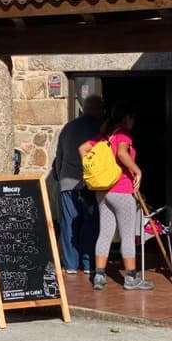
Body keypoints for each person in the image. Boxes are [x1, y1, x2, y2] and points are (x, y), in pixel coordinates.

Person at [79, 101, 152, 291]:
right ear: (127, 118)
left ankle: (99, 276)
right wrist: (137, 171)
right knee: (127, 234)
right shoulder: (123, 134)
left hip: (103, 191)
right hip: (121, 189)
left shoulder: (103, 136)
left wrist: (94, 170)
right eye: (132, 118)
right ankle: (130, 278)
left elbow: (82, 149)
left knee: (105, 232)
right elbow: (122, 154)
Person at [53, 94, 104, 275]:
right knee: (91, 223)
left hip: (67, 182)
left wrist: (60, 176)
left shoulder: (68, 127)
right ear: (97, 109)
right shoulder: (99, 128)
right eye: (101, 108)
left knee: (69, 224)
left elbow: (59, 156)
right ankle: (88, 262)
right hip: (90, 183)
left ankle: (71, 265)